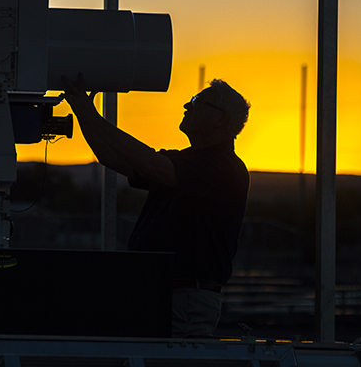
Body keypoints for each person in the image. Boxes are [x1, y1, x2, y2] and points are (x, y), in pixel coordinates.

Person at [61, 76, 250, 338]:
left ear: (220, 119)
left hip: (182, 300)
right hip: (164, 294)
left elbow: (148, 163)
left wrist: (88, 113)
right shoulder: (186, 163)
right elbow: (111, 156)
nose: (187, 105)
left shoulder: (221, 168)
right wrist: (81, 110)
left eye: (197, 101)